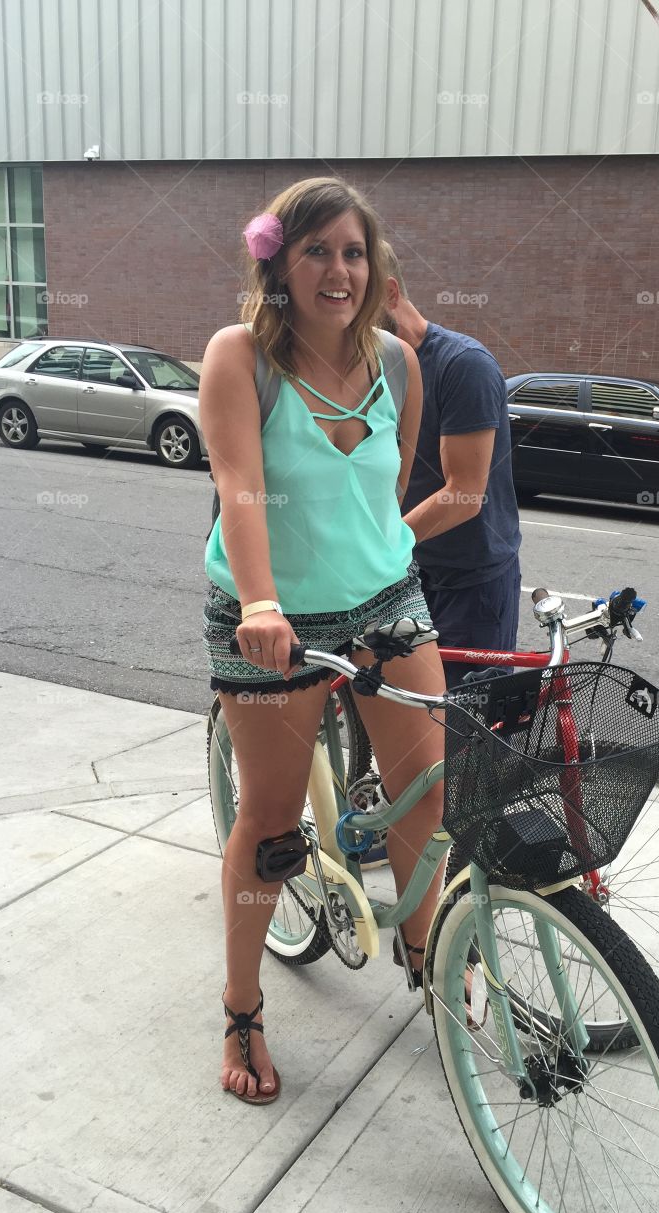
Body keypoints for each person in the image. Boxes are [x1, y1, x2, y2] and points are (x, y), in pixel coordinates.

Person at [199, 178, 446, 1104]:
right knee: (269, 826)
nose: (339, 271)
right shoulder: (240, 356)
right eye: (317, 252)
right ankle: (241, 1005)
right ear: (279, 263)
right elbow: (240, 487)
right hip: (270, 620)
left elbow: (386, 493)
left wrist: (375, 565)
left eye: (354, 252)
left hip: (385, 596)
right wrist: (263, 603)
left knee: (429, 791)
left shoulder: (399, 363)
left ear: (374, 266)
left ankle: (425, 946)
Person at [381, 242, 522, 688]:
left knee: (466, 733)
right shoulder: (371, 367)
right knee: (403, 718)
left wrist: (379, 547)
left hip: (468, 583)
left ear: (388, 295)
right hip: (403, 575)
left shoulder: (463, 366)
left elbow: (463, 494)